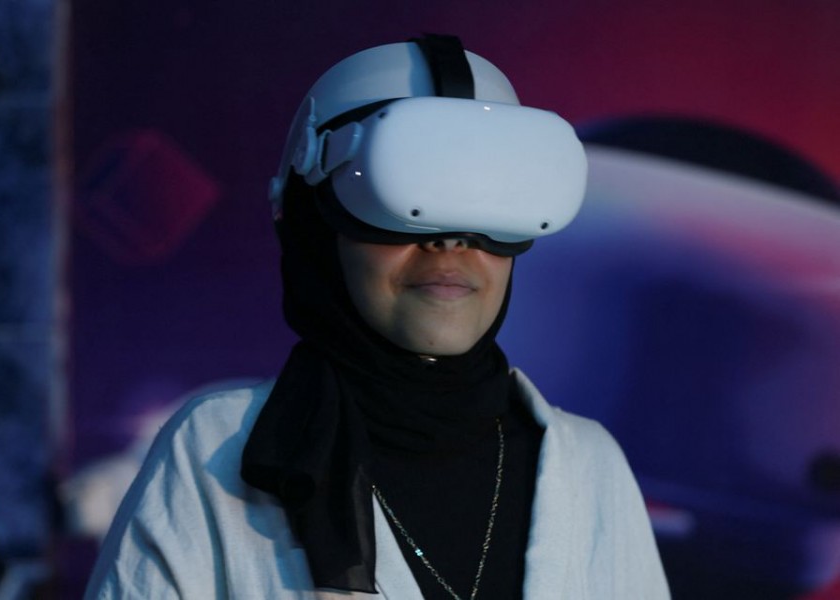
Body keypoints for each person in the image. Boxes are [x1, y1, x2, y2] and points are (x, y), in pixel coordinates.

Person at [84, 35, 670, 599]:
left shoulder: (591, 468)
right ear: (316, 226)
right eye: (400, 199)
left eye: (490, 204)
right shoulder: (214, 453)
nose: (451, 242)